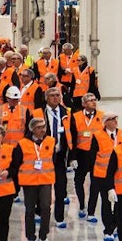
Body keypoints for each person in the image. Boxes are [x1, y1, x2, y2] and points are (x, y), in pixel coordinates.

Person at [15, 117, 55, 241]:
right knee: (30, 209)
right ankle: (30, 236)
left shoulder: (51, 141)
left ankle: (43, 236)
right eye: (39, 127)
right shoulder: (22, 144)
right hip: (29, 181)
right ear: (32, 129)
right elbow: (16, 163)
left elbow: (53, 159)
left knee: (46, 207)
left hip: (46, 180)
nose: (42, 130)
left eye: (44, 127)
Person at [40, 86, 71, 228]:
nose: (55, 97)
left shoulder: (67, 113)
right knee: (42, 186)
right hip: (43, 156)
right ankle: (39, 212)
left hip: (60, 155)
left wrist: (72, 157)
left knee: (60, 186)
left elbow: (72, 134)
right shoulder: (39, 112)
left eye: (57, 95)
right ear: (46, 98)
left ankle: (59, 217)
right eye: (52, 95)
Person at [69, 92, 103, 218]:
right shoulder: (76, 116)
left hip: (96, 154)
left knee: (95, 183)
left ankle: (91, 211)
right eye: (90, 100)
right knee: (78, 181)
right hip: (81, 154)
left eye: (94, 100)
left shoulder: (102, 116)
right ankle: (82, 205)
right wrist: (72, 157)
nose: (93, 102)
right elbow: (72, 138)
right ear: (83, 104)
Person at [87, 113, 121, 236]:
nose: (115, 121)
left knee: (119, 202)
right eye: (112, 119)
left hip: (119, 175)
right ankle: (108, 229)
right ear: (105, 122)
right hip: (102, 174)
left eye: (116, 119)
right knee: (106, 202)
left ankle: (116, 225)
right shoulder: (98, 135)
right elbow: (92, 155)